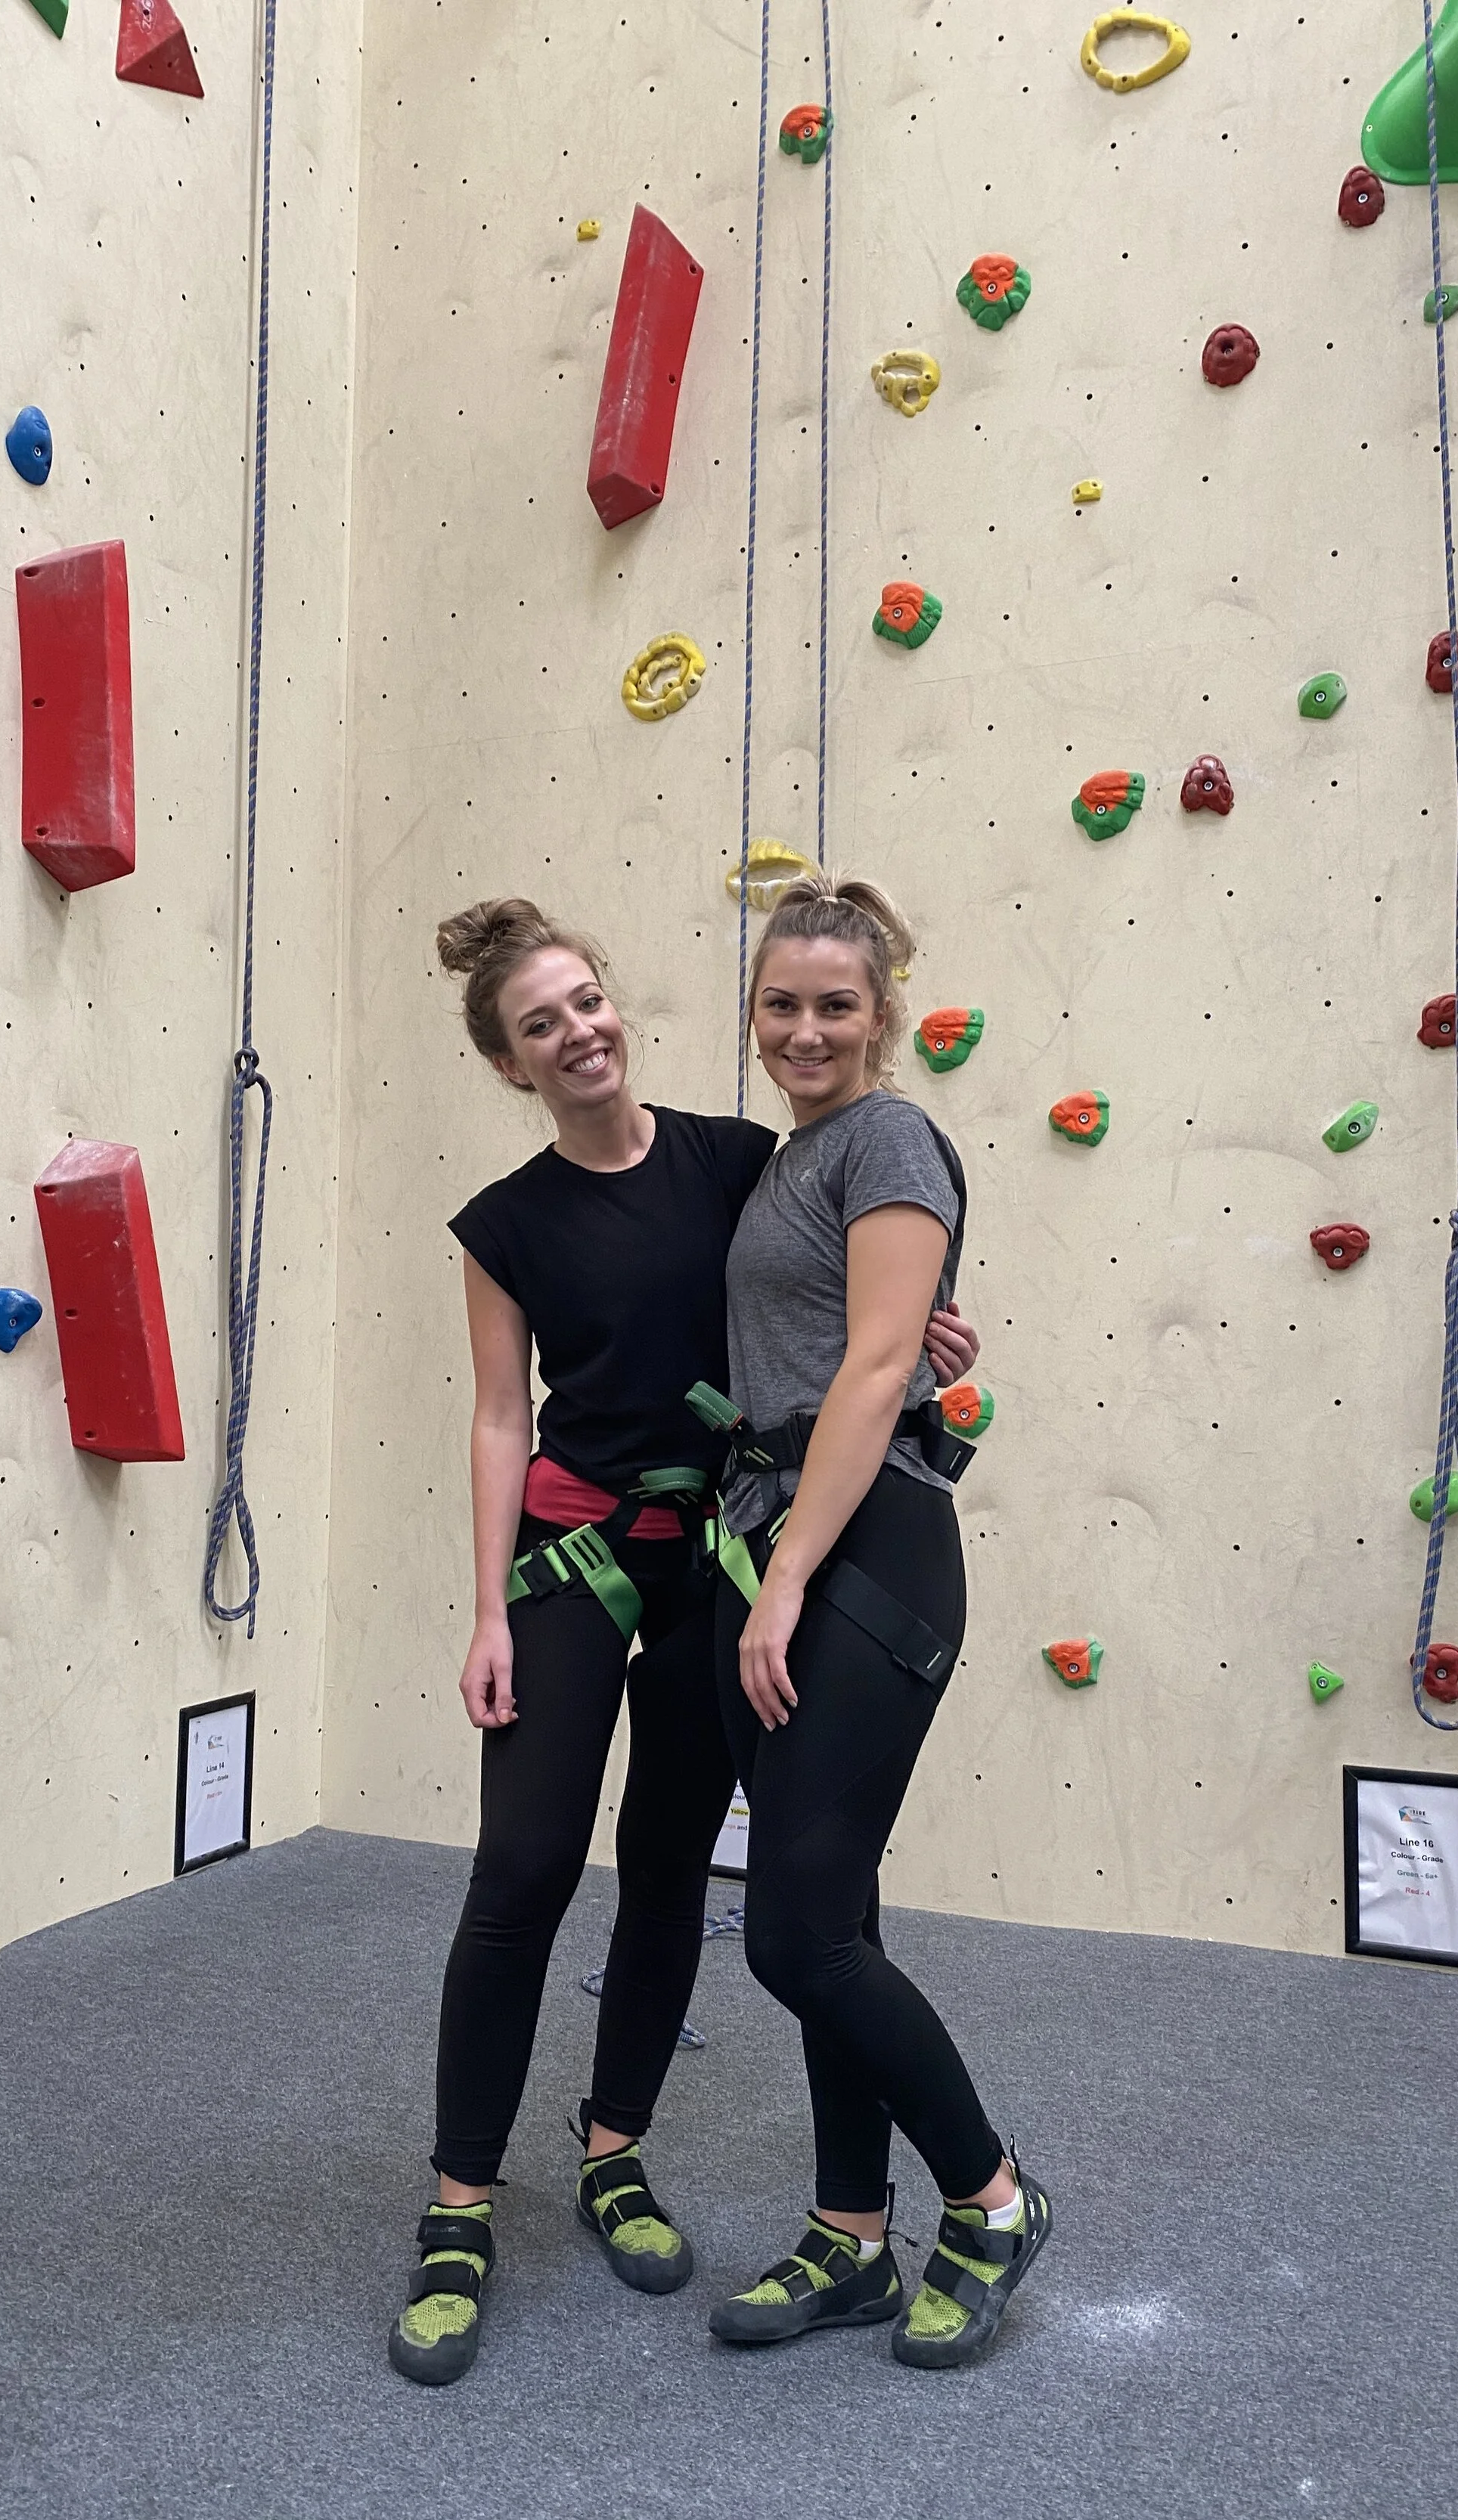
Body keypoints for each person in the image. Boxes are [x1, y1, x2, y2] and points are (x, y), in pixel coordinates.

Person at [389, 897, 977, 2386]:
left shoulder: (735, 1158)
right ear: (511, 1062)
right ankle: (459, 2205)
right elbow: (500, 1417)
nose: (576, 1033)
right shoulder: (504, 1224)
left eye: (585, 1001)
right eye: (539, 1025)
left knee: (666, 1867)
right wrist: (485, 1606)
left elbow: (827, 1304)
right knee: (522, 1868)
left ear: (617, 1003)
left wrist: (932, 1340)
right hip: (577, 1557)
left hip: (721, 1552)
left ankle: (613, 2151)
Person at [705, 873, 1053, 2372]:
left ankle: (991, 2197)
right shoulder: (794, 1159)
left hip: (860, 1554)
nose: (805, 1029)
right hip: (769, 1535)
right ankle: (849, 2234)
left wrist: (787, 1574)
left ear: (882, 1012)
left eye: (835, 1004)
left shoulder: (889, 1136)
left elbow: (871, 1368)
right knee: (829, 1917)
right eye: (780, 1003)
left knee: (792, 1933)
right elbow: (860, 1338)